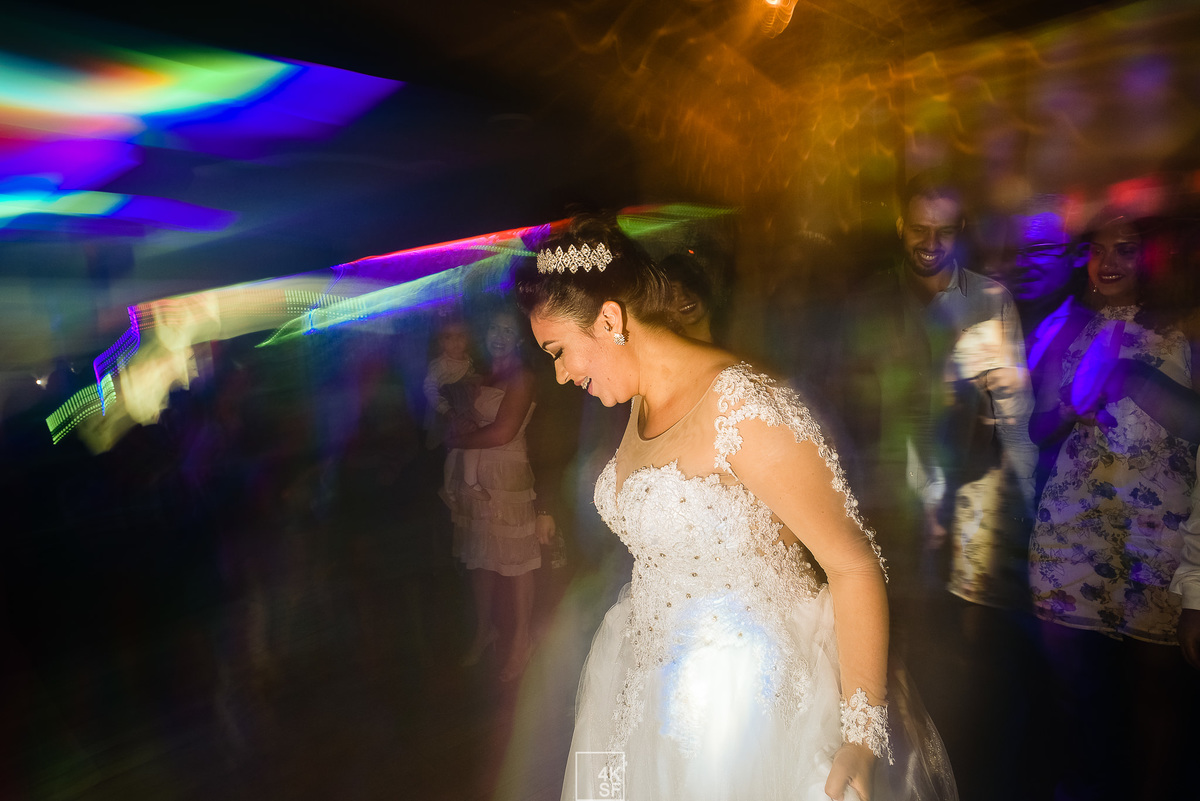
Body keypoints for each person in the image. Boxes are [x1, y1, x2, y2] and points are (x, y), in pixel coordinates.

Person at [515, 215, 955, 801]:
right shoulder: (639, 401)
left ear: (610, 320)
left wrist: (860, 737)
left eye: (560, 351)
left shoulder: (743, 407)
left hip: (747, 706)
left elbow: (852, 566)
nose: (562, 373)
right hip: (643, 686)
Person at [1028, 209, 1199, 800]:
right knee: (1073, 680)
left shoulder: (1183, 326)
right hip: (1076, 520)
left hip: (1161, 524)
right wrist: (1071, 409)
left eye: (1125, 249)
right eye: (1097, 250)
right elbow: (1037, 427)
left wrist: (1133, 379)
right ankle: (1084, 782)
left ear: (1148, 256)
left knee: (1157, 685)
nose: (1110, 263)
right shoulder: (1061, 327)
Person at [446, 307, 552, 681]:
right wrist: (457, 423)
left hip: (507, 477)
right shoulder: (477, 375)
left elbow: (503, 432)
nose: (499, 334)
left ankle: (522, 641)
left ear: (520, 337)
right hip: (475, 477)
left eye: (508, 329)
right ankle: (483, 631)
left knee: (518, 563)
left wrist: (458, 439)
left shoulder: (522, 376)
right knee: (480, 559)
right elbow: (463, 415)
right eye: (493, 326)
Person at [423, 316, 489, 502]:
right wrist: (445, 409)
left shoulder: (467, 361)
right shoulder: (440, 365)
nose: (455, 342)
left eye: (460, 336)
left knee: (457, 449)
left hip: (463, 407)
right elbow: (429, 388)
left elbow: (470, 379)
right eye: (448, 337)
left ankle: (449, 487)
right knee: (470, 440)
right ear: (440, 342)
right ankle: (468, 483)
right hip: (449, 410)